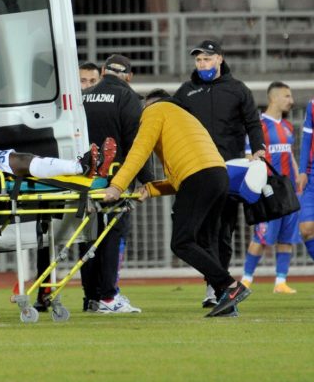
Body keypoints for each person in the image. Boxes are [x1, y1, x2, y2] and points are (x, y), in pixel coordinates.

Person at [102, 89, 251, 318]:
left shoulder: (154, 111)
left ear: (149, 104)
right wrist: (150, 189)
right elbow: (182, 175)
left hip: (199, 177)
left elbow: (139, 152)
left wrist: (116, 186)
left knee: (182, 242)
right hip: (219, 175)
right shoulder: (184, 116)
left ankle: (230, 286)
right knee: (206, 242)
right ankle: (227, 299)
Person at [174, 40, 265, 308]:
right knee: (203, 232)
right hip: (198, 171)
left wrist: (258, 150)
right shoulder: (185, 92)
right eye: (199, 60)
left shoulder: (238, 90)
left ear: (220, 59)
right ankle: (216, 285)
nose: (202, 64)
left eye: (207, 59)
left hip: (230, 171)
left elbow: (253, 123)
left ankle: (217, 288)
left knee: (224, 232)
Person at [78, 55, 153, 314]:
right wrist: (147, 180)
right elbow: (137, 145)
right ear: (128, 76)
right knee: (112, 235)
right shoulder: (128, 97)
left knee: (88, 237)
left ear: (103, 71)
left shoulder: (83, 97)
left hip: (83, 178)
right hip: (116, 180)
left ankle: (91, 297)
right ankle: (109, 297)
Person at [241, 82, 303, 294]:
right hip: (269, 191)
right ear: (273, 98)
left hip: (289, 190)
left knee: (287, 237)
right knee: (261, 237)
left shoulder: (287, 126)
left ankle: (280, 282)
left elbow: (289, 155)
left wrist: (298, 178)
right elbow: (249, 156)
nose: (291, 101)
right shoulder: (258, 126)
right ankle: (246, 280)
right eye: (287, 96)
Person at [298, 97, 314, 263]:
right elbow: (307, 139)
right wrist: (302, 171)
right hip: (313, 174)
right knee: (306, 228)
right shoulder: (313, 105)